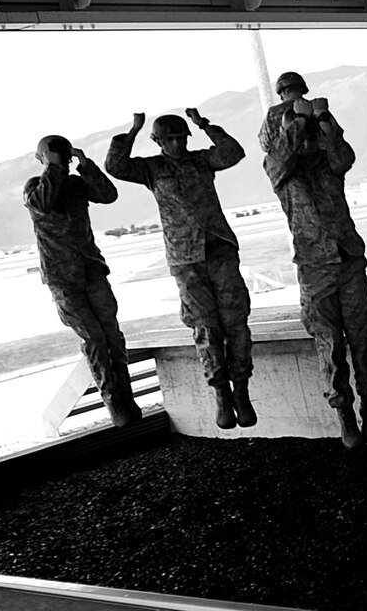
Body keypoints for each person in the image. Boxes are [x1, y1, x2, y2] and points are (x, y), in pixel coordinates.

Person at [106, 108, 255, 430]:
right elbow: (115, 166)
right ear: (158, 142)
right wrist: (133, 131)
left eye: (180, 137)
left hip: (219, 251)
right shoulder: (151, 168)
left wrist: (203, 124)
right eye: (169, 139)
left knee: (236, 323)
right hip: (185, 259)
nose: (176, 144)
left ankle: (241, 392)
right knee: (205, 327)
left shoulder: (202, 160)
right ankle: (222, 396)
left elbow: (233, 153)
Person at [260, 72, 367, 449]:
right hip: (314, 266)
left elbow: (344, 157)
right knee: (329, 344)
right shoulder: (279, 170)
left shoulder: (329, 162)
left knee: (361, 339)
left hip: (347, 258)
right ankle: (344, 412)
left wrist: (325, 121)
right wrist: (292, 125)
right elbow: (279, 159)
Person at [23, 135, 139, 427]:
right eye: (53, 155)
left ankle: (128, 400)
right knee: (94, 339)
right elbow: (43, 203)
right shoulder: (35, 188)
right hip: (63, 279)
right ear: (43, 159)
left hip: (91, 270)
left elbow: (107, 194)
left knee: (112, 335)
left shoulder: (76, 185)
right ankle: (115, 405)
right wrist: (53, 167)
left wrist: (85, 164)